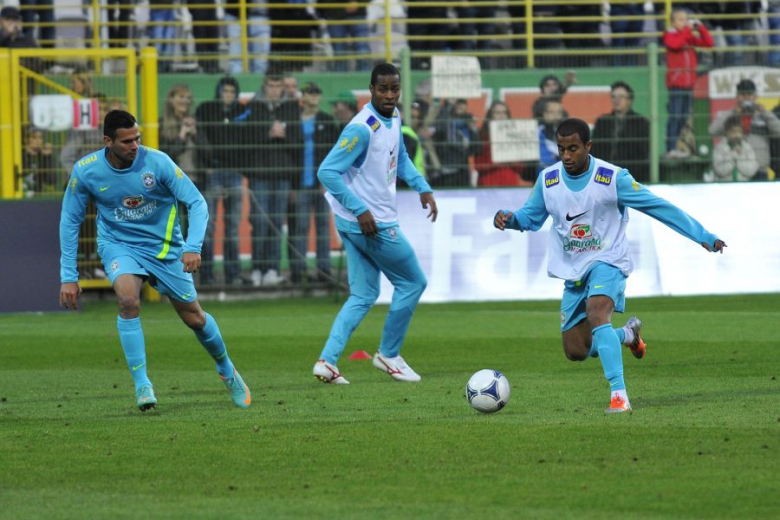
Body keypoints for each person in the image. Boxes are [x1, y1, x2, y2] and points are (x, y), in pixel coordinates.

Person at [493, 118, 726, 413]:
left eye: (573, 148)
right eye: (562, 149)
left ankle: (619, 396)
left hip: (608, 260)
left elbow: (657, 206)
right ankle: (627, 335)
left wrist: (702, 235)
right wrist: (509, 218)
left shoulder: (612, 178)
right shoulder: (549, 180)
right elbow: (530, 217)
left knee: (597, 312)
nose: (566, 156)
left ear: (588, 146)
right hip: (573, 270)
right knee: (576, 350)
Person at [59, 110, 252, 411]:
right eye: (126, 141)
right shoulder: (86, 171)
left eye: (137, 138)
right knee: (128, 302)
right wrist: (68, 275)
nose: (134, 145)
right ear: (107, 141)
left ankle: (226, 369)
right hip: (119, 244)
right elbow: (69, 221)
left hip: (165, 248)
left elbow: (197, 202)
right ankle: (142, 385)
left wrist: (193, 246)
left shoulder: (158, 162)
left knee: (195, 318)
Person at [312, 63, 438, 385]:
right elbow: (326, 172)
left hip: (354, 222)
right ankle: (388, 354)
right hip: (370, 223)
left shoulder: (393, 117)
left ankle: (327, 361)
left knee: (364, 294)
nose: (389, 95)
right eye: (383, 89)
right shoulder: (362, 128)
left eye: (394, 89)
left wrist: (421, 186)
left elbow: (402, 158)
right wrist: (361, 209)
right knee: (413, 283)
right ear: (370, 89)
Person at [246, 74, 302, 286]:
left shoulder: (292, 108)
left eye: (278, 85)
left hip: (283, 175)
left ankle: (272, 268)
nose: (275, 89)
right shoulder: (254, 107)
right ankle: (257, 268)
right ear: (265, 86)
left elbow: (298, 142)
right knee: (259, 223)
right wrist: (267, 134)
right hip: (259, 174)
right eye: (271, 85)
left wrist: (285, 135)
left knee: (277, 223)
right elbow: (246, 140)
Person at [194, 76, 249, 286]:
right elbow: (200, 139)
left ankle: (233, 274)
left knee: (233, 228)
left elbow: (248, 140)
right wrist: (208, 164)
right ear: (219, 92)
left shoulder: (243, 111)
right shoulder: (205, 109)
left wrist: (242, 168)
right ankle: (206, 275)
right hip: (213, 173)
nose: (228, 95)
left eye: (231, 92)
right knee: (208, 227)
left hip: (235, 174)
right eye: (225, 91)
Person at [289, 81, 340, 284]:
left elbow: (334, 154)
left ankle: (323, 270)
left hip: (321, 184)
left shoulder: (327, 121)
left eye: (316, 92)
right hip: (301, 183)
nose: (313, 96)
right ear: (303, 97)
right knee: (300, 227)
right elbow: (289, 156)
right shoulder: (294, 122)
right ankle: (299, 270)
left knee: (321, 227)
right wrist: (292, 185)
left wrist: (328, 178)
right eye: (309, 93)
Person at [662, 8, 713, 156]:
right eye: (680, 20)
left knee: (684, 117)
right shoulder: (669, 35)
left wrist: (701, 27)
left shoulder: (688, 37)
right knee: (675, 116)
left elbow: (709, 43)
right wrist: (688, 31)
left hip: (689, 84)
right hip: (676, 85)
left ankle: (678, 147)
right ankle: (670, 148)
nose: (684, 23)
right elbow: (674, 45)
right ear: (673, 22)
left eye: (686, 19)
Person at [709, 79, 780, 180]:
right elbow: (713, 131)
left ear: (755, 97)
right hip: (736, 169)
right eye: (743, 95)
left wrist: (765, 113)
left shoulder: (764, 115)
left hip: (759, 169)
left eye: (749, 94)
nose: (746, 98)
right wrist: (733, 113)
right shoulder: (731, 115)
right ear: (737, 98)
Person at [592, 81, 651, 182]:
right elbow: (595, 150)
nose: (616, 100)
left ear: (629, 100)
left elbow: (643, 153)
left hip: (631, 175)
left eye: (621, 97)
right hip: (604, 175)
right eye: (613, 97)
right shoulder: (602, 121)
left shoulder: (641, 122)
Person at [474, 101, 529, 187]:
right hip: (488, 184)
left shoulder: (515, 136)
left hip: (509, 183)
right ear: (490, 115)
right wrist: (499, 160)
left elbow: (520, 167)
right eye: (497, 113)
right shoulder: (482, 136)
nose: (502, 115)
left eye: (504, 112)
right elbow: (478, 166)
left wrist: (510, 161)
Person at [711, 115, 760, 182]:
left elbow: (750, 171)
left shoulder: (747, 148)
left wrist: (737, 159)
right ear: (726, 132)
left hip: (743, 187)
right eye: (733, 131)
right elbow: (721, 171)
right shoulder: (719, 148)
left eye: (739, 131)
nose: (737, 135)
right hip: (724, 188)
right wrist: (734, 156)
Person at [22, 127, 56, 195]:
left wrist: (47, 158)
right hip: (22, 194)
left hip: (37, 197)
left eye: (40, 138)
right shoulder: (21, 155)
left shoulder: (44, 157)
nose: (38, 140)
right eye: (34, 137)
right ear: (26, 140)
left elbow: (51, 181)